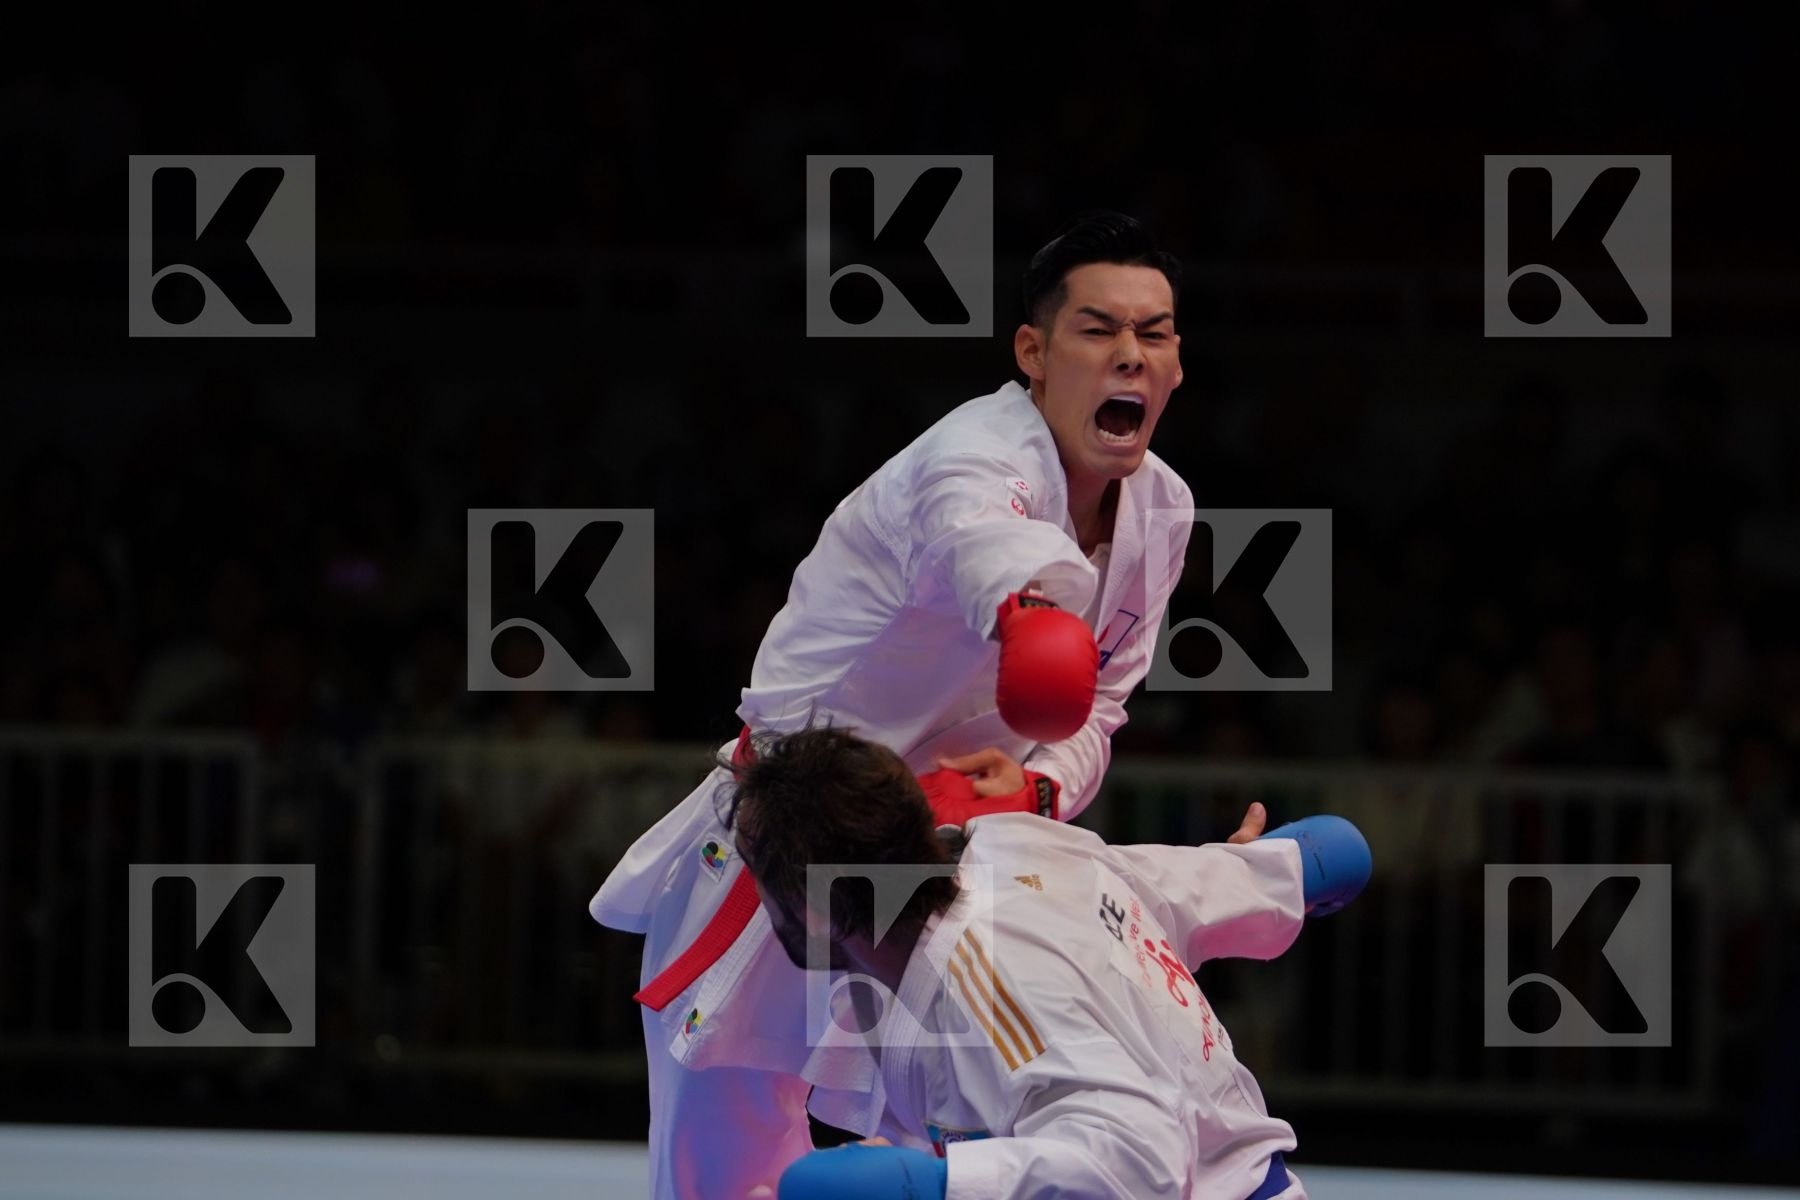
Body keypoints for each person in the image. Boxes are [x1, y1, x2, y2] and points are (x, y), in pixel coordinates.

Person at [592, 211, 1267, 1199]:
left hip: (959, 860)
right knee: (720, 1175)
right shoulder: (974, 454)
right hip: (800, 840)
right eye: (1097, 328)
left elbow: (1100, 705)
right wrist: (1031, 616)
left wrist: (1036, 786)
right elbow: (984, 548)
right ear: (1033, 351)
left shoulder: (1161, 508)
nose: (1129, 353)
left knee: (990, 1145)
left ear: (1174, 366)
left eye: (1154, 333)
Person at [720, 727, 1369, 1200]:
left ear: (812, 908)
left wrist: (941, 1186)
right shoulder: (1013, 844)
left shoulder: (988, 987)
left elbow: (1145, 1160)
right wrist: (1280, 873)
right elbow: (1188, 884)